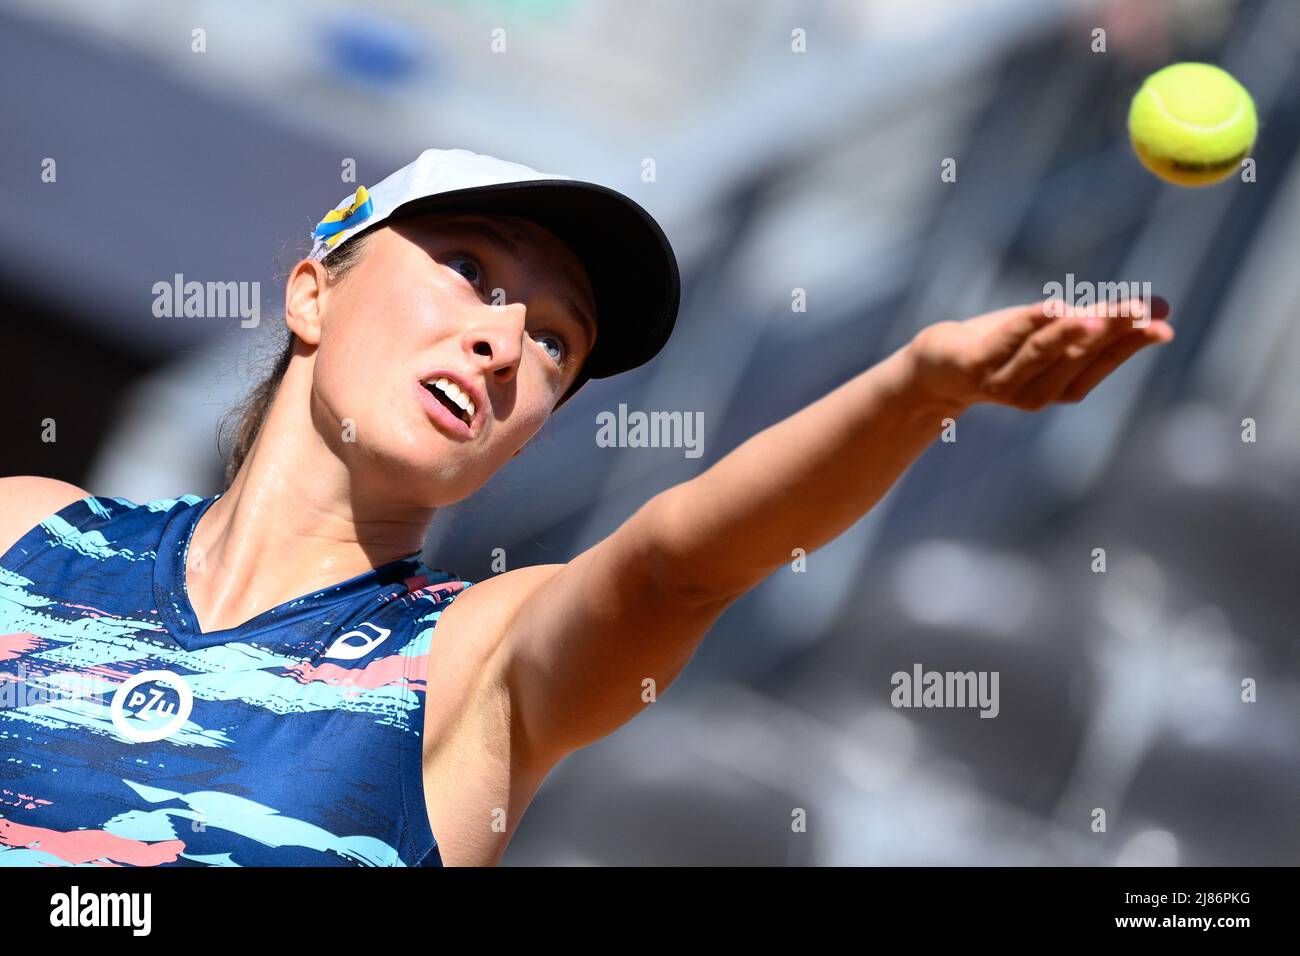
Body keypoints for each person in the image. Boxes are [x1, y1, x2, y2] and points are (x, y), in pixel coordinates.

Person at [0, 148, 1174, 867]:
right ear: (313, 288)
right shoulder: (28, 535)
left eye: (556, 339)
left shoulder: (474, 664)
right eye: (471, 268)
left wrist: (920, 387)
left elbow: (676, 564)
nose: (506, 340)